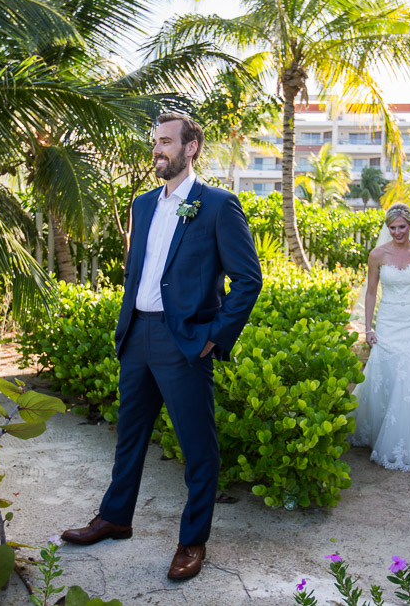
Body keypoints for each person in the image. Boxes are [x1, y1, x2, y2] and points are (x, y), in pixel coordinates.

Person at [61, 113, 262, 580]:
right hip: (137, 336)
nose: (157, 150)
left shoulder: (217, 205)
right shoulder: (143, 204)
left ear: (191, 148)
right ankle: (115, 517)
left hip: (185, 342)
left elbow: (248, 279)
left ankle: (192, 541)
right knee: (129, 435)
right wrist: (126, 323)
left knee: (198, 447)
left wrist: (214, 336)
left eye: (166, 142)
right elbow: (140, 271)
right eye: (155, 142)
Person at [349, 202, 410, 473]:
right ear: (387, 228)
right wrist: (368, 328)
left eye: (402, 227)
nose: (397, 232)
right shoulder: (377, 255)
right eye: (392, 227)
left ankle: (405, 445)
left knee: (409, 375)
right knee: (387, 375)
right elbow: (370, 292)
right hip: (388, 322)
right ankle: (379, 431)